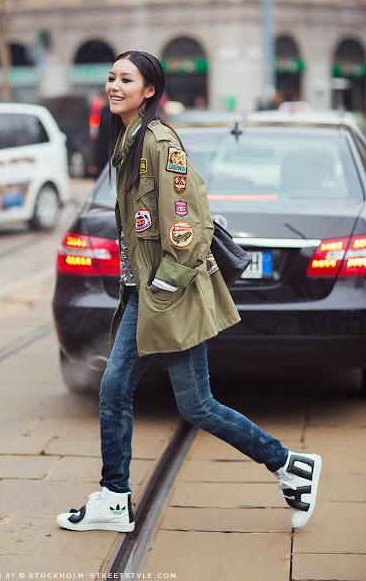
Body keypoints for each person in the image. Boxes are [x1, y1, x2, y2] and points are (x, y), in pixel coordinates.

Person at [56, 51, 322, 534]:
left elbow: (189, 223)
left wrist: (163, 285)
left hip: (167, 295)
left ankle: (289, 464)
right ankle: (115, 497)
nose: (114, 86)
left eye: (126, 79)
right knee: (119, 391)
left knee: (194, 404)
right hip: (147, 293)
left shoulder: (159, 143)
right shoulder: (128, 140)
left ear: (150, 90)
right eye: (112, 78)